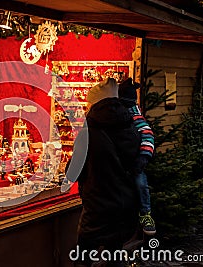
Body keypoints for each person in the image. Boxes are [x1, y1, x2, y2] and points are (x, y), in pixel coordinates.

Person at [66, 77, 141, 267]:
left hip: (98, 207)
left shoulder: (88, 131)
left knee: (83, 257)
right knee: (115, 254)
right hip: (125, 205)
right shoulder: (130, 125)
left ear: (96, 103)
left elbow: (73, 172)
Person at [118, 78, 156, 235]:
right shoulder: (117, 114)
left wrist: (143, 157)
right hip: (120, 161)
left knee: (140, 183)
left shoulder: (136, 117)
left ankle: (146, 212)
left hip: (134, 162)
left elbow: (148, 135)